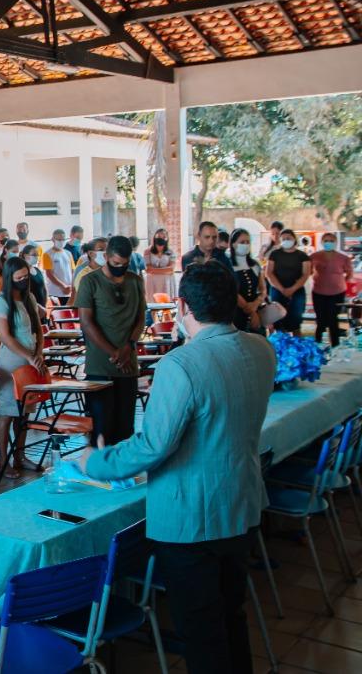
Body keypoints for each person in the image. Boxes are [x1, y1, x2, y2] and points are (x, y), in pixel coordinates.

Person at [80, 261, 275, 674]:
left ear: (182, 305)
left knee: (202, 633)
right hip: (241, 504)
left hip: (193, 519)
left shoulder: (181, 364)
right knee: (230, 615)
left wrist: (96, 461)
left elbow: (153, 446)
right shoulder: (261, 348)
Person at [76, 235, 147, 445]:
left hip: (128, 364)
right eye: (116, 263)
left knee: (125, 427)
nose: (120, 268)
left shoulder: (135, 280)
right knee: (101, 427)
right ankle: (100, 474)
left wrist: (130, 346)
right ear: (106, 257)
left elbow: (140, 318)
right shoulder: (90, 281)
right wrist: (113, 352)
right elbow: (86, 323)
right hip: (100, 365)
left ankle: (121, 474)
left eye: (125, 265)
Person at [0, 256, 47, 478]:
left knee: (24, 413)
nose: (23, 280)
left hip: (30, 361)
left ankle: (20, 456)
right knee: (6, 413)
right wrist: (30, 356)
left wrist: (38, 353)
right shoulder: (0, 301)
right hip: (10, 363)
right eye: (19, 278)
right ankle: (3, 460)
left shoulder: (29, 297)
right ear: (9, 278)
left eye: (26, 277)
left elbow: (38, 329)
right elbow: (5, 337)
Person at [309, 232, 353, 347]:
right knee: (321, 320)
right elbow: (308, 271)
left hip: (337, 293)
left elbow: (349, 274)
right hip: (319, 292)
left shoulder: (343, 258)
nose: (328, 243)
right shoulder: (314, 256)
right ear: (322, 242)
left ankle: (335, 346)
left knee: (333, 320)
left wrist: (339, 282)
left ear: (336, 243)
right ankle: (318, 346)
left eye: (331, 241)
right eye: (326, 241)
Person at [264, 228, 312, 335]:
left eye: (288, 238)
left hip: (297, 290)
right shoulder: (274, 254)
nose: (286, 240)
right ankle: (280, 345)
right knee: (278, 319)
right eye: (283, 239)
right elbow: (269, 273)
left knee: (296, 319)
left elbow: (305, 274)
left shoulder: (303, 256)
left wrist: (292, 289)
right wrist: (282, 289)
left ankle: (297, 345)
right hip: (277, 289)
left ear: (294, 239)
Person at [229, 229, 267, 335]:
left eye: (248, 242)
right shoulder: (228, 265)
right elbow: (231, 291)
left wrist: (256, 304)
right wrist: (250, 310)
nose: (245, 245)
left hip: (256, 309)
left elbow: (262, 289)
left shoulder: (255, 264)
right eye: (242, 242)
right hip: (236, 313)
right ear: (233, 244)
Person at [144, 227, 176, 300]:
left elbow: (171, 269)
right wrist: (165, 271)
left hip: (166, 281)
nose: (161, 239)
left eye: (164, 237)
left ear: (167, 238)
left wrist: (154, 270)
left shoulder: (171, 252)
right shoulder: (147, 251)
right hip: (152, 282)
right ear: (154, 238)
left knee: (166, 305)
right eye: (158, 236)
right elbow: (148, 269)